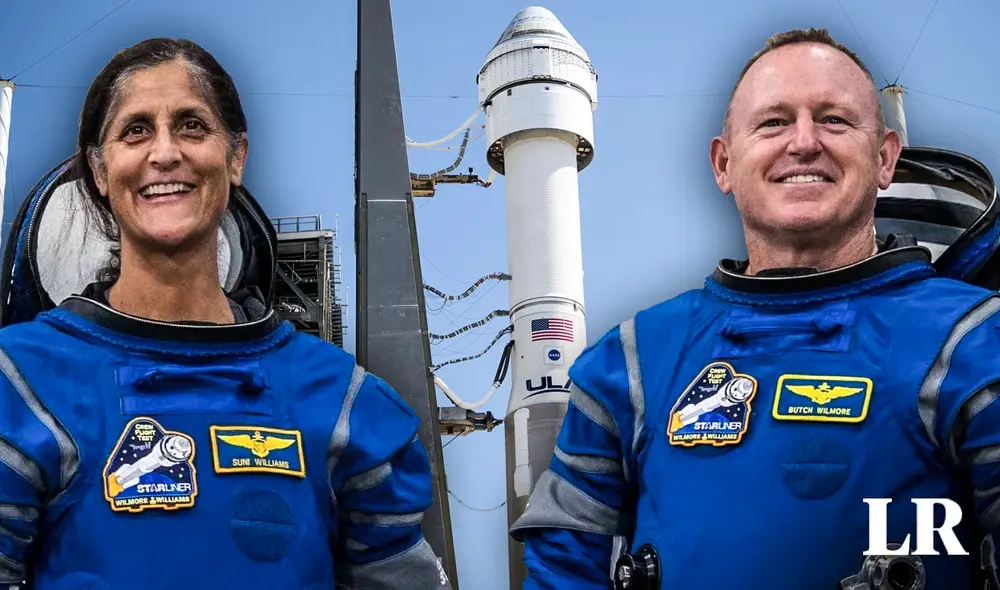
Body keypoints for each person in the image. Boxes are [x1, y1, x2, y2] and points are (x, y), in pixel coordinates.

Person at [509, 27, 1000, 590]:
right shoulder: (629, 361)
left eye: (834, 119)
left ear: (886, 157)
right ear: (723, 164)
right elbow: (565, 570)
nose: (804, 142)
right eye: (773, 122)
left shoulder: (974, 341)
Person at [0, 37, 451, 590]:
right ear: (99, 170)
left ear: (236, 157)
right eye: (135, 130)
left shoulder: (344, 402)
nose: (164, 153)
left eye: (191, 126)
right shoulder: (22, 384)